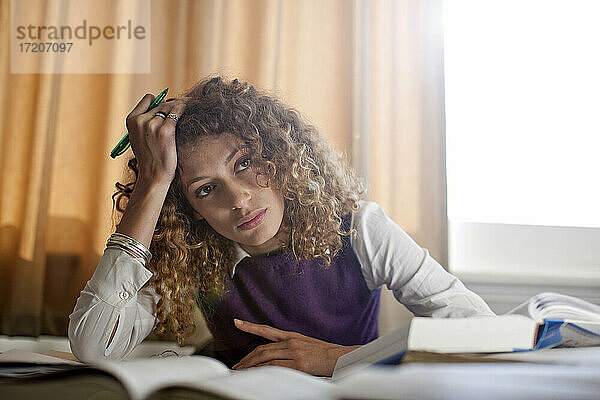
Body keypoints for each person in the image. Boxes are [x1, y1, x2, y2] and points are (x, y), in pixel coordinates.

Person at [68, 76, 494, 377]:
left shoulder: (360, 230)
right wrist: (152, 182)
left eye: (245, 163)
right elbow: (93, 346)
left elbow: (480, 331)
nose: (238, 200)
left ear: (277, 154)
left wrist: (340, 359)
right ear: (191, 209)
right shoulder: (191, 250)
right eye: (205, 190)